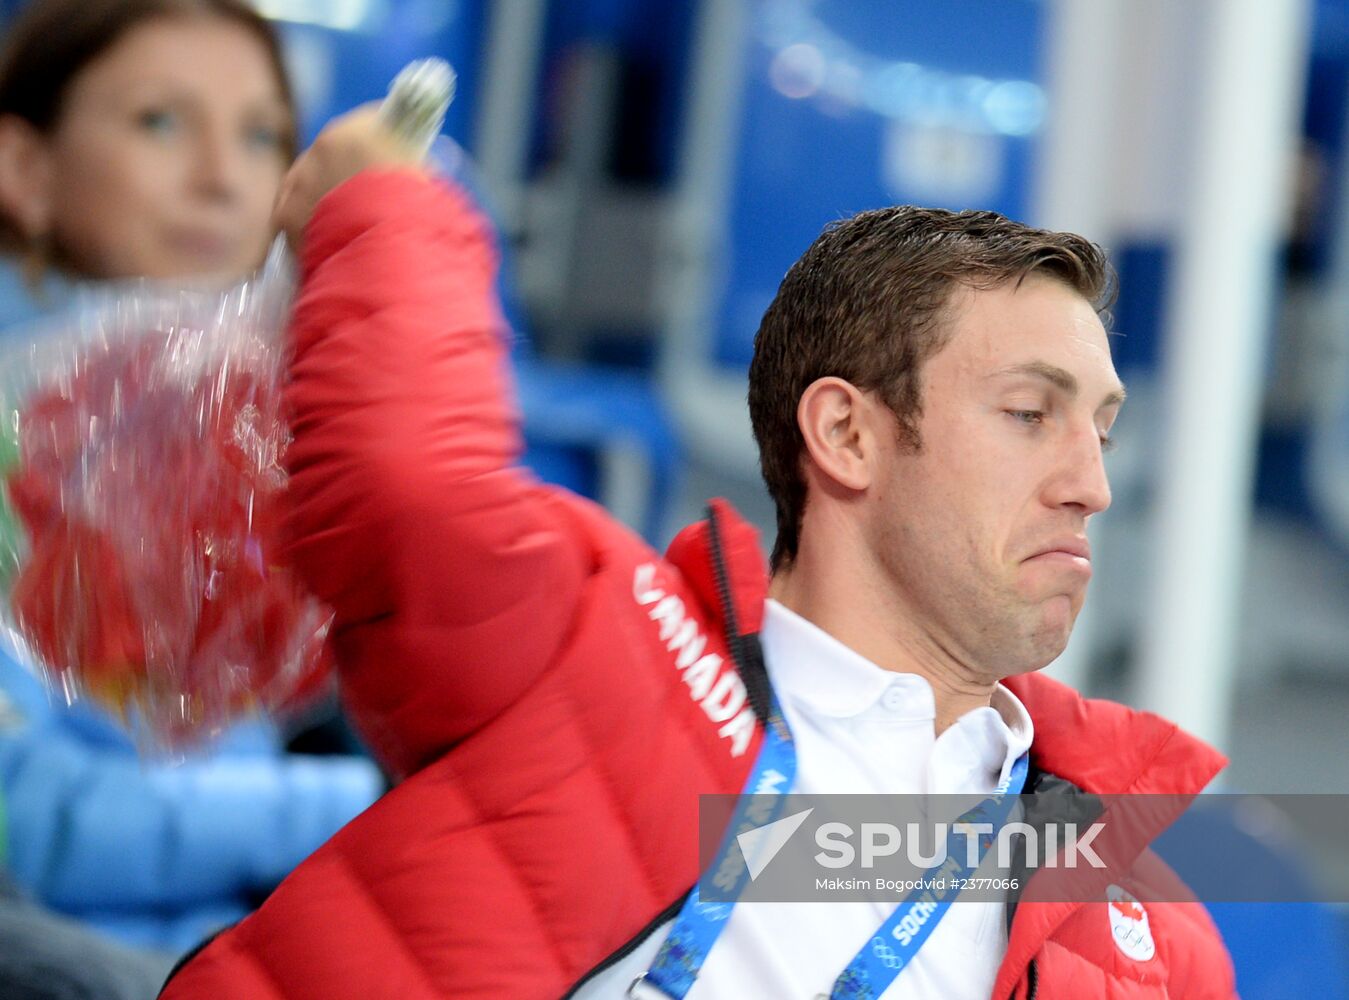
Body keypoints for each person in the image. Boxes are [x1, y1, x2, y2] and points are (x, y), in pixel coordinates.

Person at [160, 108, 1236, 998]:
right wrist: (382, 201)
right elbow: (403, 483)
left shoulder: (1146, 937)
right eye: (1027, 414)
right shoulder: (601, 636)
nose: (1089, 484)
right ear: (846, 435)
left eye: (1100, 427)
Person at [0, 0, 381, 965]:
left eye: (261, 136)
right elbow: (30, 821)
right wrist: (373, 809)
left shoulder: (244, 435)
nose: (222, 179)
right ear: (24, 170)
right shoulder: (22, 428)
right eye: (160, 122)